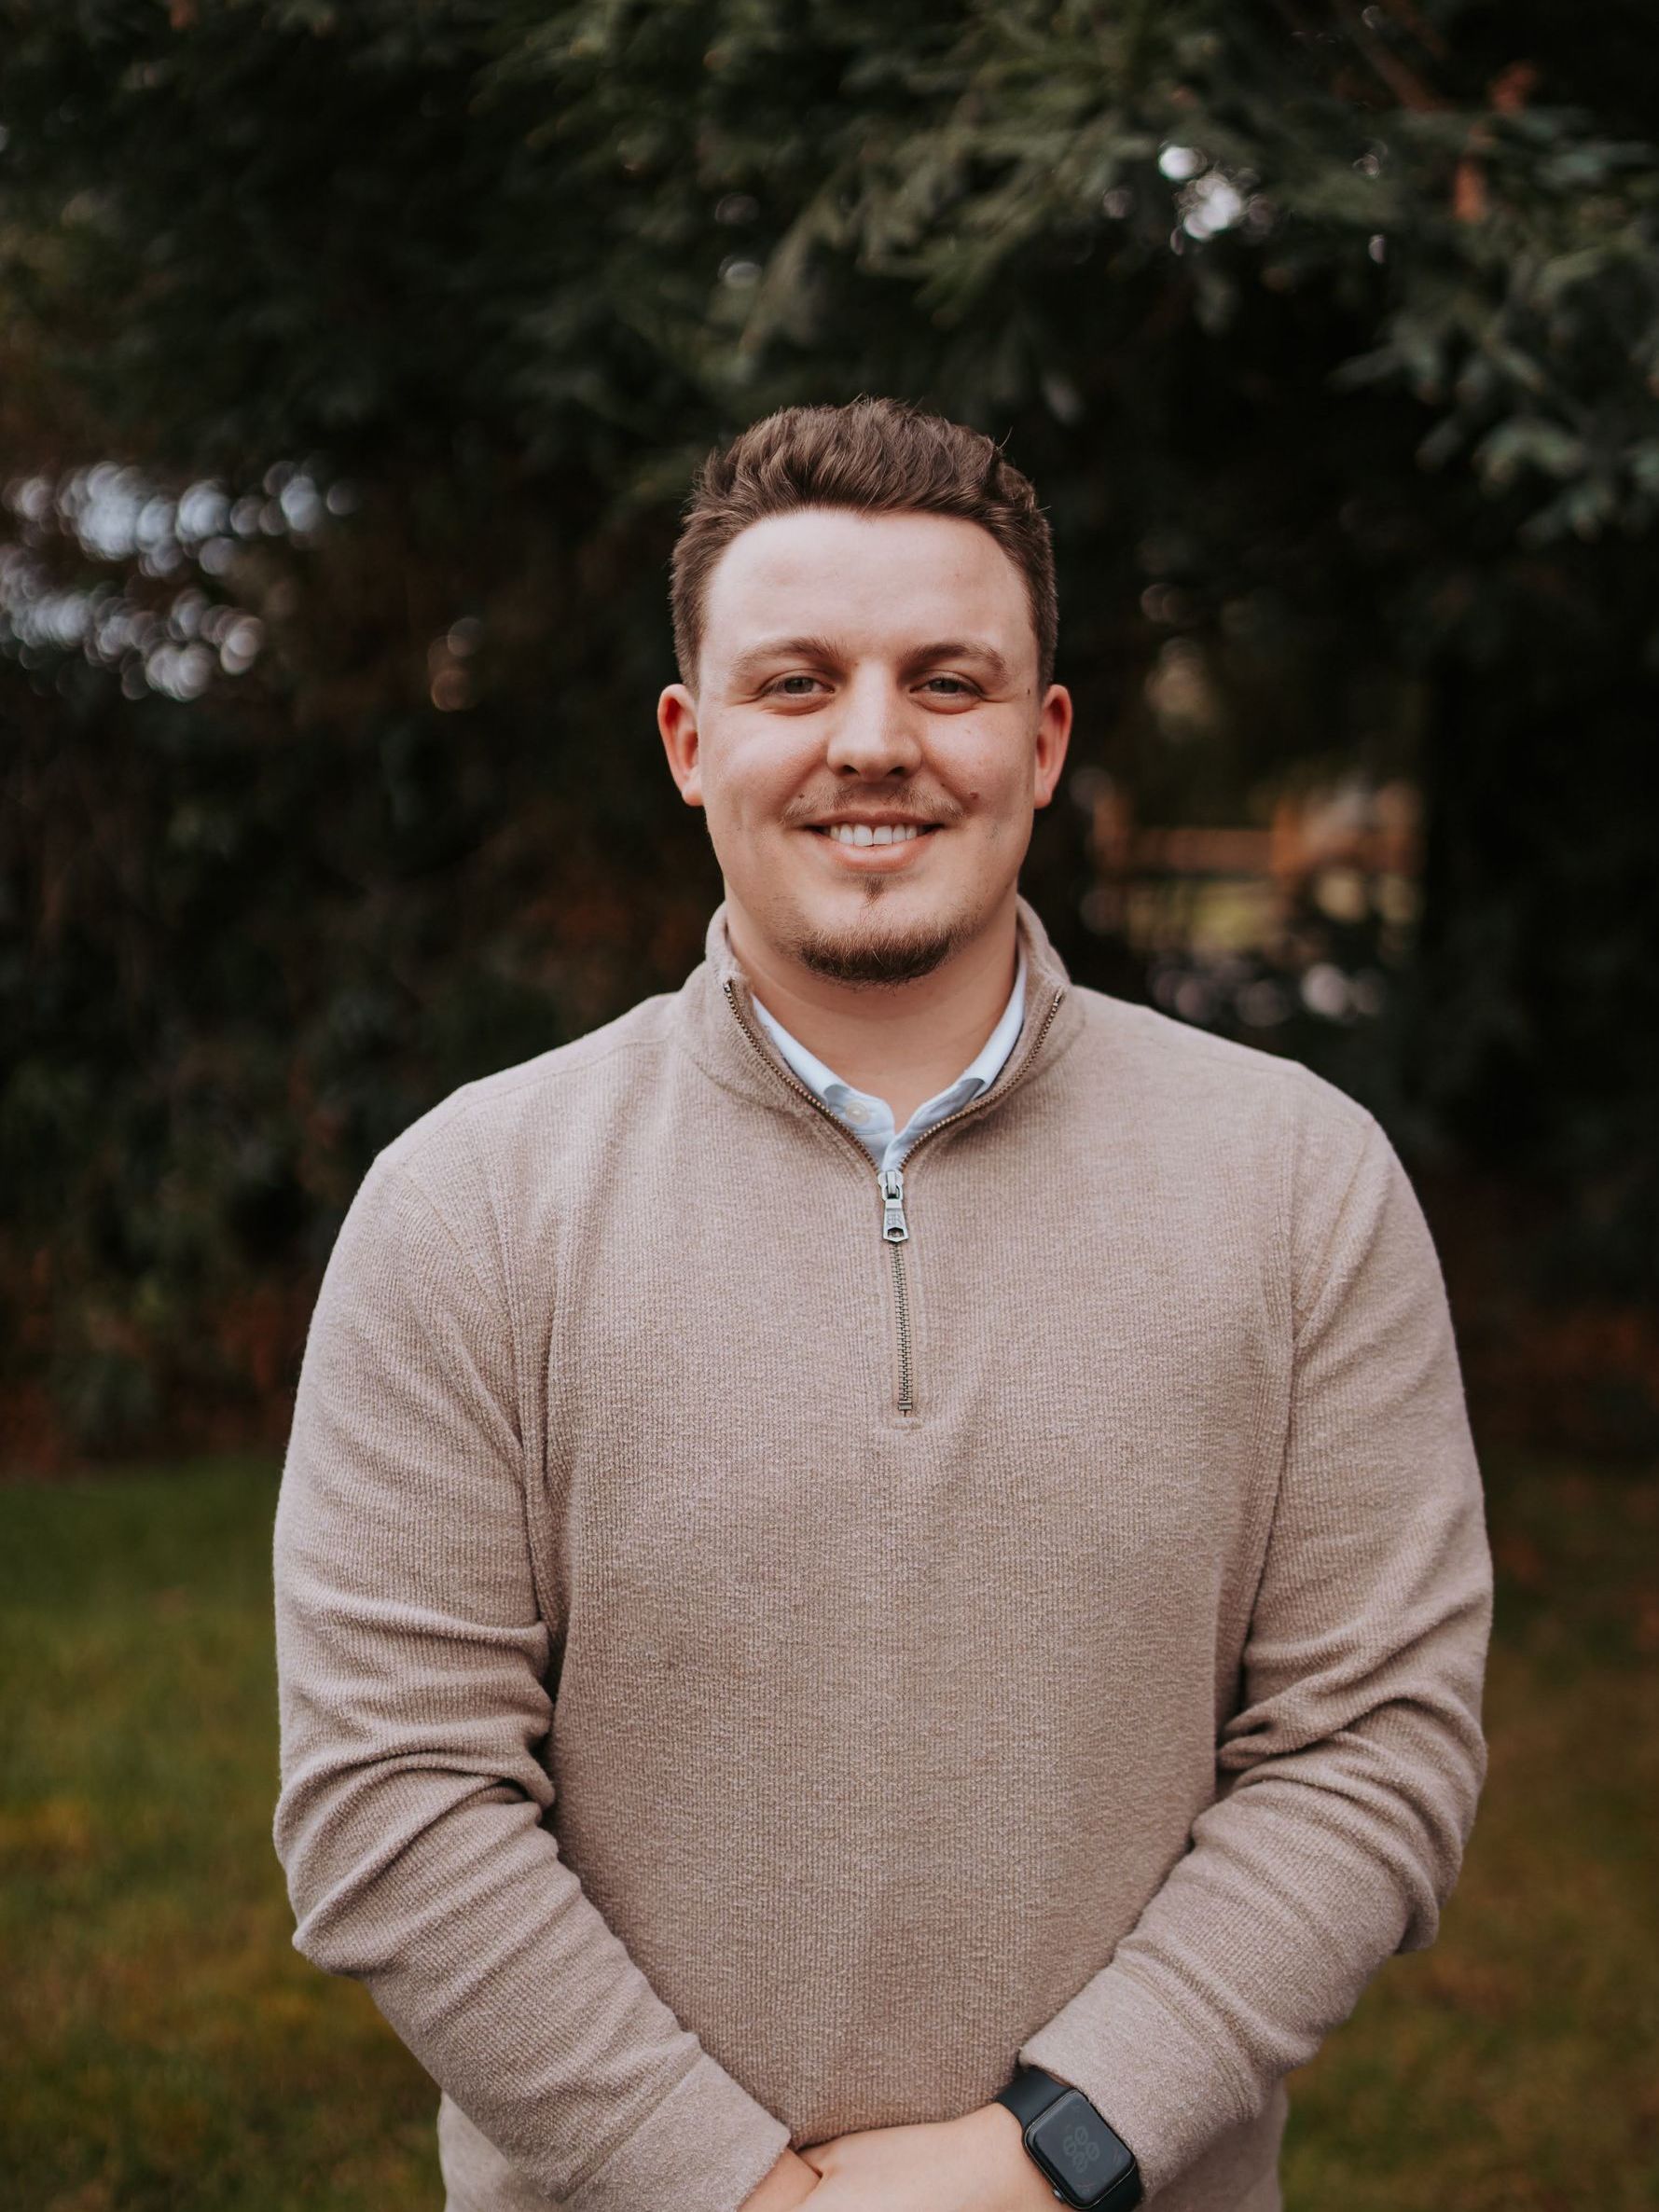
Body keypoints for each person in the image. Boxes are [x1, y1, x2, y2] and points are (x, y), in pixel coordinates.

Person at [271, 397, 1493, 2212]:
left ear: (1042, 737)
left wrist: (1049, 2155)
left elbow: (1372, 1749)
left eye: (944, 681)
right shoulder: (469, 1204)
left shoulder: (1301, 1182)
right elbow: (390, 1799)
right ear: (690, 740)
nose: (871, 743)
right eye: (796, 683)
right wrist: (742, 2193)